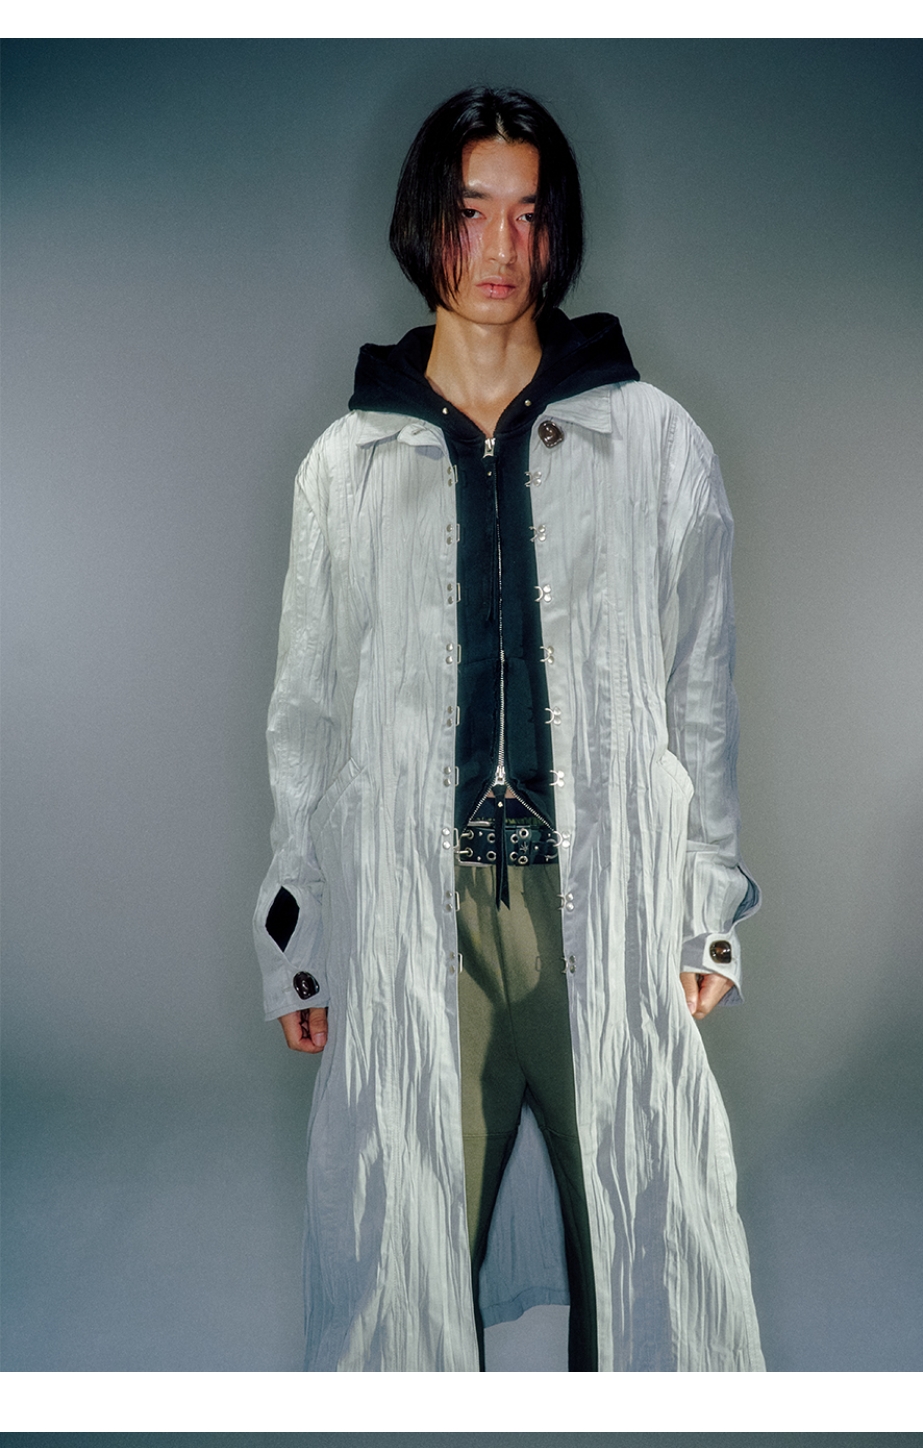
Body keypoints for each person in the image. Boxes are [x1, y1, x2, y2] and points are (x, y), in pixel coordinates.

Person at [255, 77, 762, 1376]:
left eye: (527, 215)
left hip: (601, 892)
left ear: (557, 233)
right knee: (400, 1251)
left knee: (653, 1246)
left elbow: (699, 691)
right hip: (419, 906)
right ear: (422, 222)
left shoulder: (652, 442)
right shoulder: (347, 464)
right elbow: (309, 715)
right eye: (470, 210)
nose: (498, 247)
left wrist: (707, 904)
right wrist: (299, 933)